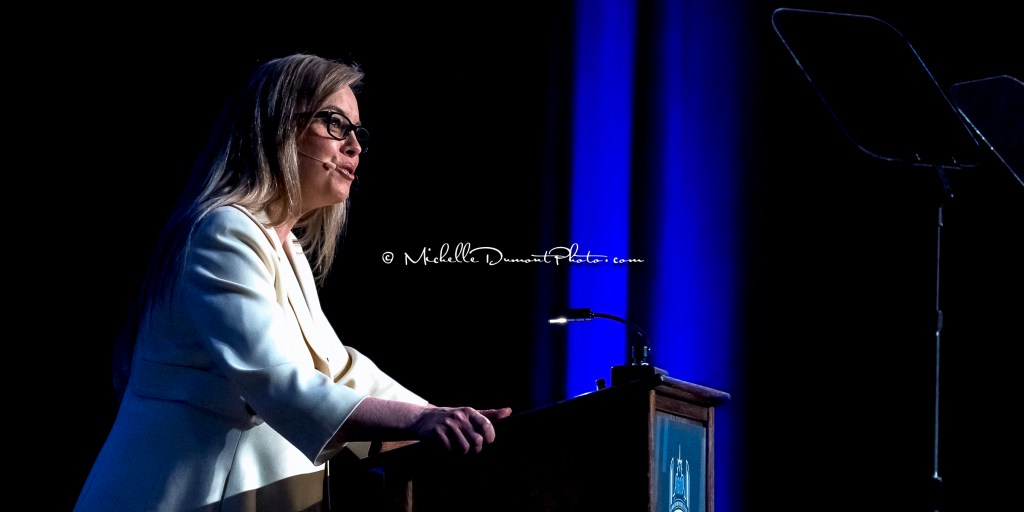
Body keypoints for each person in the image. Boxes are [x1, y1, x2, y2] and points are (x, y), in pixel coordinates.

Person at [74, 53, 512, 512]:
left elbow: (340, 369)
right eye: (336, 124)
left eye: (358, 132)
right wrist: (421, 421)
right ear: (278, 127)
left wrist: (446, 418)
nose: (354, 146)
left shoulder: (287, 248)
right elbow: (278, 380)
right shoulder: (222, 230)